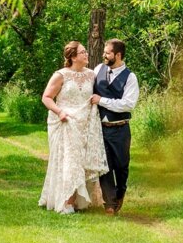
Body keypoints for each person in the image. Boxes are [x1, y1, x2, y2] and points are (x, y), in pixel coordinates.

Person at [38, 41, 109, 214]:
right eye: (83, 52)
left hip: (86, 124)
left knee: (82, 162)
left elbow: (100, 94)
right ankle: (67, 202)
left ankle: (80, 201)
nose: (86, 54)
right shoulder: (60, 75)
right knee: (71, 161)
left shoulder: (92, 75)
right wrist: (60, 112)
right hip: (66, 122)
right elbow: (46, 97)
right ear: (73, 57)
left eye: (86, 51)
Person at [90, 38, 139, 215]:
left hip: (120, 129)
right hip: (100, 128)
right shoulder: (98, 70)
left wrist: (102, 100)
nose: (104, 55)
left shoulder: (130, 77)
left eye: (107, 53)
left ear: (118, 55)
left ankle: (120, 194)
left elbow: (128, 104)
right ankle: (109, 204)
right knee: (104, 166)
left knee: (121, 166)